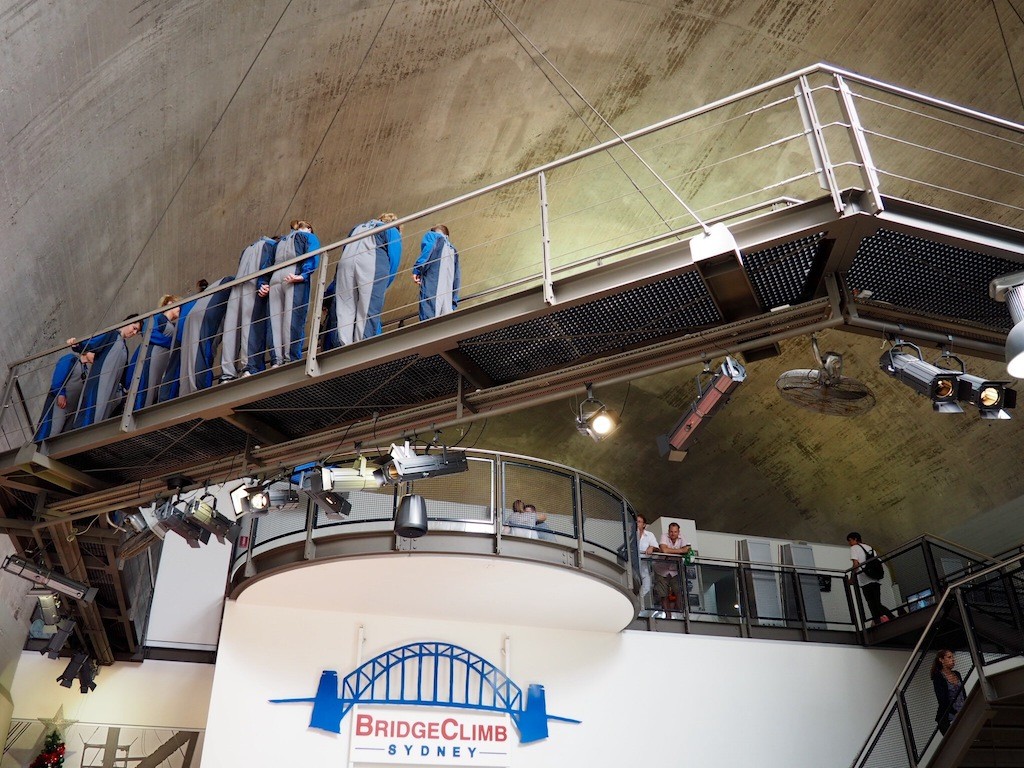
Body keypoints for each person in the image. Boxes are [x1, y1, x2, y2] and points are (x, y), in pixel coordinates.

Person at [333, 213, 402, 346]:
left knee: (344, 306)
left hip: (345, 264)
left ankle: (343, 344)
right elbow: (394, 259)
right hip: (371, 263)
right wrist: (384, 283)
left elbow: (345, 248)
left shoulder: (357, 228)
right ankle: (362, 345)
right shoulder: (392, 230)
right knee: (367, 307)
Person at [68, 315, 142, 428]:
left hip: (110, 391)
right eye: (134, 328)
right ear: (128, 322)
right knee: (89, 413)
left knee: (100, 416)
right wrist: (77, 344)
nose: (134, 332)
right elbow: (94, 343)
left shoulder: (125, 349)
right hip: (98, 384)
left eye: (137, 331)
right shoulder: (112, 335)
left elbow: (124, 374)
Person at [222, 236, 277, 379]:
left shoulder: (247, 249)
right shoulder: (270, 246)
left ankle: (227, 373)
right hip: (252, 287)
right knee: (251, 325)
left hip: (238, 287)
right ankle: (250, 367)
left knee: (231, 328)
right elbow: (267, 269)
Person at [268, 220, 321, 365]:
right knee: (293, 319)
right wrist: (304, 274)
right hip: (293, 274)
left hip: (274, 279)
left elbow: (268, 263)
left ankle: (275, 361)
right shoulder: (307, 236)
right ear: (309, 228)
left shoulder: (279, 243)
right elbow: (313, 253)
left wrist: (263, 284)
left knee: (275, 320)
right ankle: (290, 359)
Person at [178, 276, 234, 396]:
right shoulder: (215, 297)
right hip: (203, 328)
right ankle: (201, 388)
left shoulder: (195, 303)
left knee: (193, 359)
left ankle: (193, 389)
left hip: (191, 329)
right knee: (204, 354)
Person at [124, 295, 181, 409]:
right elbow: (150, 334)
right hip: (151, 358)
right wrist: (172, 343)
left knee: (153, 390)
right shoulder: (158, 317)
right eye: (179, 305)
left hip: (160, 362)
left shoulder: (172, 324)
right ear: (170, 303)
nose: (180, 308)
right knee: (146, 387)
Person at [34, 350, 94, 441]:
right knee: (51, 432)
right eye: (94, 353)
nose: (95, 356)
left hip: (70, 409)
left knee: (60, 436)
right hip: (61, 405)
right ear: (87, 351)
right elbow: (58, 378)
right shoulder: (71, 359)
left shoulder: (86, 370)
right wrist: (61, 394)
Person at [413, 225, 460, 321]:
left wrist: (417, 270)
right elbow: (457, 278)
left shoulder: (433, 236)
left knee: (428, 323)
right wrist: (454, 301)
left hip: (433, 290)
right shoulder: (453, 250)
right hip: (447, 301)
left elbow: (427, 250)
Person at [847, 531, 895, 625]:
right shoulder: (870, 547)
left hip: (865, 580)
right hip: (875, 578)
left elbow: (856, 564)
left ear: (855, 539)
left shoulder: (854, 548)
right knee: (877, 603)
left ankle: (881, 621)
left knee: (871, 603)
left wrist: (852, 578)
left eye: (850, 540)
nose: (849, 543)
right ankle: (888, 618)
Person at [654, 522, 691, 614]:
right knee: (663, 594)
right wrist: (680, 551)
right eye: (671, 531)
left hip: (675, 570)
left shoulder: (682, 537)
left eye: (675, 532)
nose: (673, 534)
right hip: (661, 570)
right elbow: (664, 550)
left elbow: (687, 550)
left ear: (678, 532)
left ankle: (681, 614)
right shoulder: (664, 536)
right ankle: (668, 615)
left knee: (679, 592)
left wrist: (672, 551)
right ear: (668, 531)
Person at [931, 649, 965, 734]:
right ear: (941, 660)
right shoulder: (938, 677)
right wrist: (955, 712)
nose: (953, 659)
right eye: (949, 657)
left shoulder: (957, 674)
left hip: (963, 711)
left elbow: (963, 693)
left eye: (953, 657)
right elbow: (942, 700)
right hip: (949, 715)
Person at [635, 514, 659, 601]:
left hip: (644, 566)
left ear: (644, 525)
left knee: (646, 587)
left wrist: (651, 547)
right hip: (633, 566)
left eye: (639, 522)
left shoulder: (649, 535)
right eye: (636, 522)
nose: (637, 523)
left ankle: (637, 601)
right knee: (633, 586)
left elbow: (657, 548)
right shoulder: (630, 534)